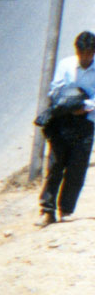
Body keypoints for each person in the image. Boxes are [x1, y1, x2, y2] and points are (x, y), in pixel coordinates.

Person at [40, 31, 95, 226]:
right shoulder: (66, 64)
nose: (84, 58)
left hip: (86, 122)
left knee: (76, 168)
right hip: (63, 121)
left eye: (88, 54)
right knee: (55, 165)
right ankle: (47, 210)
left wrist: (84, 106)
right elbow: (54, 89)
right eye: (81, 53)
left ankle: (66, 210)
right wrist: (66, 102)